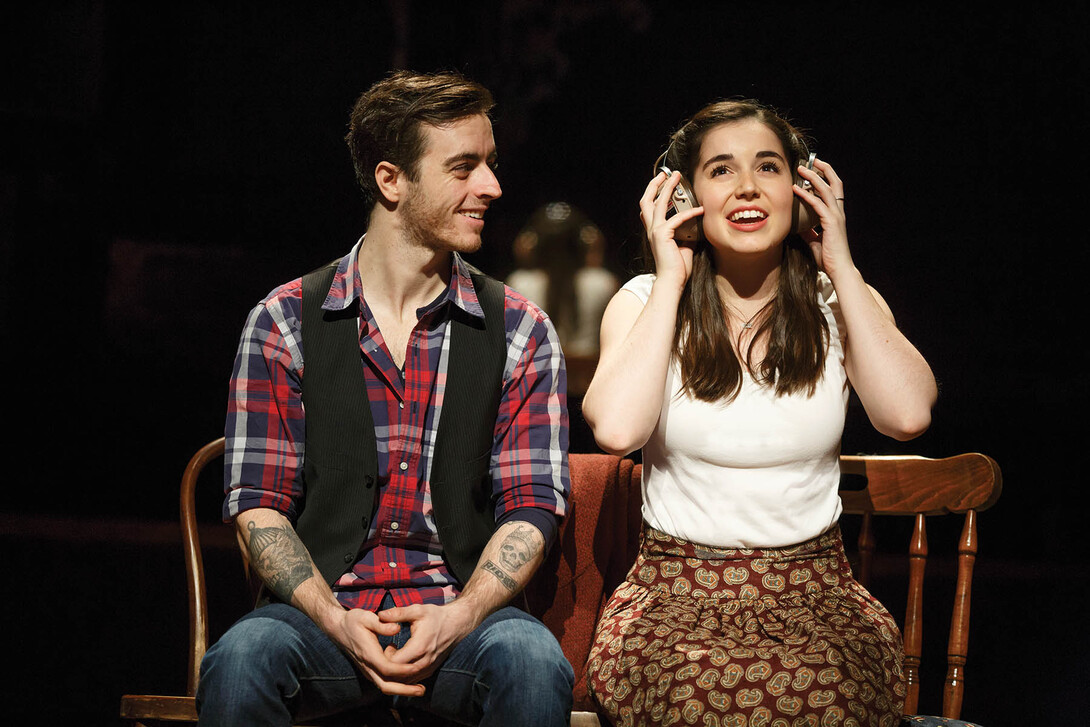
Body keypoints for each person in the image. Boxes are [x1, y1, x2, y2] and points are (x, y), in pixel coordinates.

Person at [196, 70, 574, 727]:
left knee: (532, 659)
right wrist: (335, 620)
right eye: (464, 167)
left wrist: (460, 615)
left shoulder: (520, 329)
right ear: (391, 180)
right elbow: (257, 506)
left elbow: (532, 505)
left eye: (490, 164)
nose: (492, 186)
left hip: (460, 617)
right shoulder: (284, 321)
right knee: (242, 657)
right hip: (323, 618)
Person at [581, 99, 938, 727]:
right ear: (683, 195)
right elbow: (616, 430)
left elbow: (907, 415)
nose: (747, 186)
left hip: (817, 601)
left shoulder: (838, 301)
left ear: (801, 189)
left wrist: (841, 264)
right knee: (694, 701)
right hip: (674, 602)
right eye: (721, 170)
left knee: (830, 697)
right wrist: (671, 276)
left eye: (768, 166)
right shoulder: (645, 301)